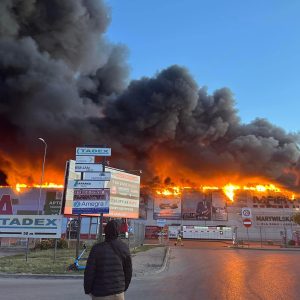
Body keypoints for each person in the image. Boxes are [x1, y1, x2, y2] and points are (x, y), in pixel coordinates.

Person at [84, 220, 132, 300]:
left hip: (100, 293)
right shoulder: (124, 248)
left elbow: (89, 272)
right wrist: (123, 288)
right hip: (118, 293)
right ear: (118, 232)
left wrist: (88, 290)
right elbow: (128, 272)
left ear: (105, 231)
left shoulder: (97, 248)